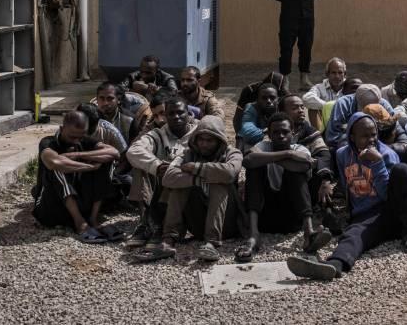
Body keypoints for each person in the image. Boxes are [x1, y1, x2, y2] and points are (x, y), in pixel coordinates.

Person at [286, 112, 407, 280]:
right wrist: (328, 186)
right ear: (352, 136)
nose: (371, 139)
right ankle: (333, 266)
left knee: (402, 170)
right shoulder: (343, 154)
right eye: (364, 136)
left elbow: (387, 195)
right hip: (367, 216)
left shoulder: (386, 154)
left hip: (392, 212)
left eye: (373, 134)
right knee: (354, 235)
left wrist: (377, 163)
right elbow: (346, 185)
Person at [239, 112, 332, 262]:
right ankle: (253, 235)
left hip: (292, 217)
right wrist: (288, 154)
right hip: (265, 216)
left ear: (293, 132)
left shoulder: (300, 148)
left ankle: (309, 232)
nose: (281, 136)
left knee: (294, 172)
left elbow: (303, 165)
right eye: (275, 132)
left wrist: (269, 158)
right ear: (269, 134)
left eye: (285, 132)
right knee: (254, 169)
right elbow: (248, 160)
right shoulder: (263, 145)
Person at [160, 116, 243, 261]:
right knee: (179, 185)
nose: (204, 144)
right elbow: (168, 177)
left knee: (219, 181)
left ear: (219, 140)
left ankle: (212, 243)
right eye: (201, 140)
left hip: (227, 224)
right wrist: (197, 179)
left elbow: (230, 172)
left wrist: (197, 168)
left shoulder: (233, 153)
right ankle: (169, 238)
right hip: (198, 224)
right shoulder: (187, 153)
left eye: (209, 140)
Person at [31, 111, 120, 242]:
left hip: (80, 202)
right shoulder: (48, 142)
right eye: (72, 137)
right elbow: (54, 162)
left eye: (80, 137)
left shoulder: (83, 140)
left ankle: (93, 219)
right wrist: (88, 167)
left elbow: (114, 152)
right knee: (58, 168)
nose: (76, 141)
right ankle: (80, 224)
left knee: (103, 161)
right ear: (62, 129)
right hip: (49, 209)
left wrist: (79, 155)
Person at [124, 96, 196, 250]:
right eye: (170, 114)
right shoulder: (158, 133)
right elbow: (133, 151)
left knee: (174, 175)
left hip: (190, 186)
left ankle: (159, 225)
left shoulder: (200, 131)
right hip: (162, 183)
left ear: (188, 113)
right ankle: (147, 222)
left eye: (180, 113)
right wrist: (157, 166)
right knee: (141, 167)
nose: (176, 117)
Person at [280, 94, 337, 218]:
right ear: (283, 112)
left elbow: (324, 154)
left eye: (302, 107)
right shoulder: (273, 131)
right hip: (279, 183)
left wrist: (325, 181)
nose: (301, 110)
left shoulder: (308, 130)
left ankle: (327, 214)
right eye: (295, 108)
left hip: (304, 182)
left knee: (323, 161)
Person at [325, 84, 395, 149]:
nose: (371, 109)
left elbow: (397, 129)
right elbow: (332, 137)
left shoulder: (384, 105)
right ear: (357, 100)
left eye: (374, 107)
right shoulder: (343, 104)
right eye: (367, 107)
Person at [302, 57, 348, 130]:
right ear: (327, 74)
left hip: (345, 126)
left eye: (340, 73)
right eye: (333, 73)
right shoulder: (320, 88)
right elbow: (306, 99)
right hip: (325, 127)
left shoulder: (350, 86)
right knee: (313, 109)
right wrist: (329, 106)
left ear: (344, 74)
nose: (337, 76)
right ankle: (320, 137)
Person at [237, 83, 279, 152]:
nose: (268, 101)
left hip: (279, 141)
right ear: (257, 100)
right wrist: (268, 131)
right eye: (264, 98)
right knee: (240, 136)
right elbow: (247, 132)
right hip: (255, 143)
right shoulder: (252, 107)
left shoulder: (283, 106)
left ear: (277, 99)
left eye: (272, 98)